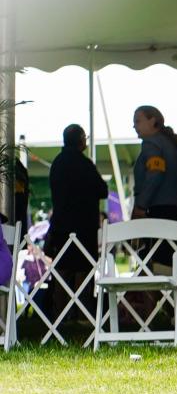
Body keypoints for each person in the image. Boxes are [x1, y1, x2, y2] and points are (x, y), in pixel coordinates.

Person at [44, 124, 108, 319]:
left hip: (62, 224)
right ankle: (82, 314)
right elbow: (103, 191)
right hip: (85, 226)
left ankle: (59, 315)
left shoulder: (57, 163)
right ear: (81, 140)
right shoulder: (85, 164)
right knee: (84, 270)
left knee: (62, 270)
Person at [132, 106, 177, 267]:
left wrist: (141, 205)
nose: (134, 126)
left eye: (137, 121)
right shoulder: (172, 145)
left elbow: (155, 174)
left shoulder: (151, 143)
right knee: (176, 266)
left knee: (155, 266)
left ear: (153, 121)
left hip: (159, 211)